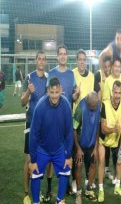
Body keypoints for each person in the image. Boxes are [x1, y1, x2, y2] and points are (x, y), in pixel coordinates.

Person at [29, 77, 73, 204]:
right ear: (48, 91)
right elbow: (33, 134)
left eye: (57, 92)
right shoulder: (40, 107)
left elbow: (69, 132)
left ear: (61, 90)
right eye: (52, 92)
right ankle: (36, 202)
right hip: (42, 148)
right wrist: (33, 160)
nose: (54, 96)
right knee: (35, 173)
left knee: (66, 171)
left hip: (59, 148)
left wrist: (68, 155)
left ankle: (59, 200)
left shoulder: (66, 105)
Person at [46, 45, 79, 200]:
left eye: (65, 54)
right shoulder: (51, 73)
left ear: (67, 56)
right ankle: (48, 187)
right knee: (52, 154)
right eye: (60, 54)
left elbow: (73, 98)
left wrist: (75, 95)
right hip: (53, 119)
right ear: (57, 56)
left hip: (67, 119)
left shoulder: (71, 74)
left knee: (67, 152)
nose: (63, 56)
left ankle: (66, 186)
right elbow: (47, 95)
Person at [97, 80, 121, 202]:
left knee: (119, 160)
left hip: (116, 140)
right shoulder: (104, 105)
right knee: (101, 161)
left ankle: (117, 186)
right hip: (104, 139)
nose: (117, 95)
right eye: (115, 92)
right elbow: (103, 128)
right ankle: (101, 189)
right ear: (112, 92)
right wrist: (114, 129)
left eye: (119, 93)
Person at [21, 51, 48, 204]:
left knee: (42, 159)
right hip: (31, 123)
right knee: (29, 159)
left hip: (43, 125)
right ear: (36, 61)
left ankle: (37, 192)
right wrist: (28, 93)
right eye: (39, 59)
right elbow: (22, 102)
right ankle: (26, 194)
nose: (41, 61)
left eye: (44, 59)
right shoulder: (29, 77)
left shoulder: (48, 78)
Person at [73, 92, 100, 204]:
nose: (94, 108)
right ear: (88, 104)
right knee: (79, 165)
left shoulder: (98, 105)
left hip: (91, 143)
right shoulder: (80, 109)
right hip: (80, 143)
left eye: (95, 106)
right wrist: (78, 148)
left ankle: (89, 190)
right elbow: (73, 129)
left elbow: (98, 126)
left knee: (94, 163)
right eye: (92, 107)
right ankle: (78, 193)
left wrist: (96, 147)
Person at [94, 56, 114, 181]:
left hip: (110, 114)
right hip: (99, 114)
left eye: (108, 67)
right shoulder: (98, 75)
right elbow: (98, 96)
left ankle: (106, 169)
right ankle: (96, 172)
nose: (107, 69)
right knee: (98, 144)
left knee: (107, 144)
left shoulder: (113, 76)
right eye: (105, 67)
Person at [72, 49, 94, 114]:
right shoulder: (72, 74)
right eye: (80, 59)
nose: (82, 62)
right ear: (76, 61)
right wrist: (76, 94)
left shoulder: (91, 76)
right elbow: (71, 97)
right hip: (75, 114)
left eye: (84, 60)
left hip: (87, 113)